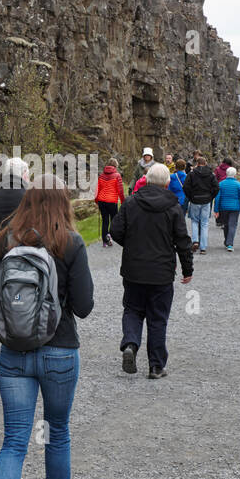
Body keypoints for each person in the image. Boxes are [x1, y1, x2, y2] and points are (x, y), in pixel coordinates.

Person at [0, 175, 94, 479]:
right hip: (60, 351)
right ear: (63, 203)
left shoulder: (4, 240)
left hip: (12, 354)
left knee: (14, 441)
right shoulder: (71, 243)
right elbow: (84, 306)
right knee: (57, 431)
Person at [110, 164, 193, 379]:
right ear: (167, 183)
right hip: (162, 272)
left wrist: (131, 245)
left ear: (145, 180)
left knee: (132, 309)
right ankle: (156, 366)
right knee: (158, 318)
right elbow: (182, 241)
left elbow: (115, 231)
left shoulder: (131, 203)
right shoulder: (173, 207)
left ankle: (130, 343)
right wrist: (187, 269)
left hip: (134, 269)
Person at [183, 156, 219, 253]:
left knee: (194, 221)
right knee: (204, 223)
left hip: (195, 200)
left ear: (197, 164)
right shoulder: (211, 174)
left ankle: (195, 241)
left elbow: (185, 187)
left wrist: (190, 197)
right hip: (206, 200)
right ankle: (203, 247)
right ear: (205, 163)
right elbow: (216, 187)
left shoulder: (191, 174)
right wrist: (211, 197)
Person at [213, 166, 240, 252]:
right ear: (235, 174)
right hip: (235, 208)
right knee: (232, 225)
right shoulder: (238, 184)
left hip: (223, 207)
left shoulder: (221, 184)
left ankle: (227, 241)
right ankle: (230, 243)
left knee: (226, 225)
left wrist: (216, 210)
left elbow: (217, 198)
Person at [94, 158, 124, 247]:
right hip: (112, 201)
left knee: (105, 221)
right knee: (114, 221)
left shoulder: (101, 176)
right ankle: (111, 237)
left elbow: (97, 190)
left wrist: (97, 201)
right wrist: (123, 202)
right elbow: (120, 191)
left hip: (102, 201)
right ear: (115, 166)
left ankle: (105, 241)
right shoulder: (117, 176)